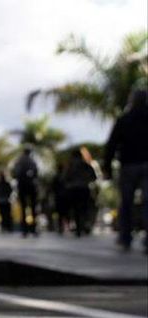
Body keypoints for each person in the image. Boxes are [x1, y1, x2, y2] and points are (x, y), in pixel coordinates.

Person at [104, 88, 148, 253]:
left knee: (126, 202)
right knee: (146, 202)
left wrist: (107, 167)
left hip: (128, 165)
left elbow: (112, 144)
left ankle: (125, 238)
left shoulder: (124, 120)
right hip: (145, 164)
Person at [64, 147, 98, 237]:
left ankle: (79, 226)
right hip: (83, 188)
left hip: (74, 189)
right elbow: (94, 177)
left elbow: (65, 178)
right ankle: (83, 225)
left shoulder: (70, 166)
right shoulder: (85, 165)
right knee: (84, 208)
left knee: (75, 208)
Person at [12, 147, 40, 237]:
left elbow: (15, 173)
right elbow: (36, 173)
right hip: (31, 185)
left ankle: (25, 230)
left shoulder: (19, 161)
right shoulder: (32, 161)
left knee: (23, 207)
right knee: (33, 207)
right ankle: (33, 229)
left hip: (22, 185)